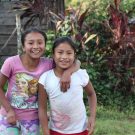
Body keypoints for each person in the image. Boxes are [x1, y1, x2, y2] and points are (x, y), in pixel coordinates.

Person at [0, 28, 80, 135]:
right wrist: (9, 110)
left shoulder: (48, 64)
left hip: (32, 120)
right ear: (23, 46)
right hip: (9, 116)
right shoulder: (11, 62)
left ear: (45, 45)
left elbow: (77, 62)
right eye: (30, 43)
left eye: (40, 42)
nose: (36, 46)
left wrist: (67, 73)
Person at [38, 37, 97, 135]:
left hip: (81, 129)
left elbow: (91, 94)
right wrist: (45, 130)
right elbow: (42, 108)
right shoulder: (45, 78)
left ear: (74, 55)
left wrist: (92, 117)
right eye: (60, 52)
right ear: (53, 55)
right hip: (55, 131)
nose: (64, 57)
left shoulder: (80, 74)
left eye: (69, 53)